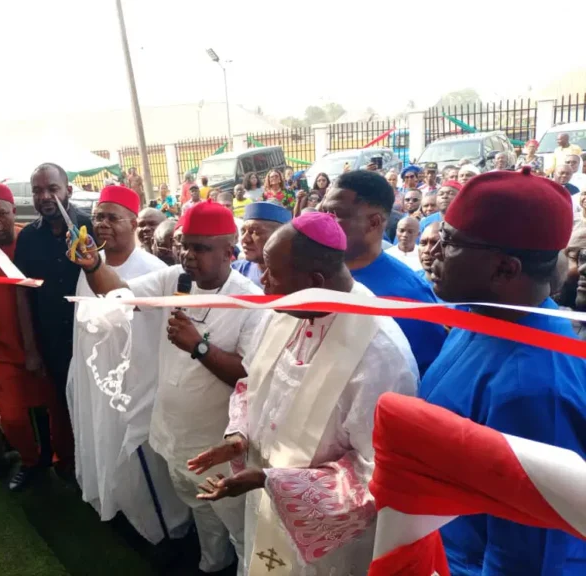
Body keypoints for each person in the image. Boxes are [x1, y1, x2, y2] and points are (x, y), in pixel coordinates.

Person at [188, 211, 418, 575]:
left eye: (272, 273)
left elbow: (377, 473)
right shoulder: (285, 311)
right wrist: (238, 437)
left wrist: (271, 480)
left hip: (324, 538)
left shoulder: (381, 355)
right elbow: (253, 384)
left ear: (315, 281)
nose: (263, 282)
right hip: (264, 503)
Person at [76, 201, 266, 575]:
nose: (188, 256)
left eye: (201, 248)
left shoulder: (250, 300)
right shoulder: (174, 279)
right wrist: (94, 265)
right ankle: (212, 564)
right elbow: (119, 293)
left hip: (218, 445)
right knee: (200, 510)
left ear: (229, 251)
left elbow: (249, 377)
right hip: (173, 433)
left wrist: (200, 347)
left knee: (239, 527)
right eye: (185, 245)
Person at [419, 167, 586, 575]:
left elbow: (528, 557)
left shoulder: (533, 388)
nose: (433, 251)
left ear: (505, 270)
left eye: (449, 242)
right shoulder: (480, 316)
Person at [68, 185, 191, 544]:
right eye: (98, 217)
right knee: (104, 442)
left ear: (134, 223)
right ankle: (117, 505)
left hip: (139, 382)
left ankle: (165, 527)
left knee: (146, 460)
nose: (102, 224)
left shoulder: (153, 269)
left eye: (112, 217)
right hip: (97, 380)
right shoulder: (87, 266)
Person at [0, 181, 73, 490]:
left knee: (61, 414)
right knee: (10, 417)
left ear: (13, 211)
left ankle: (66, 463)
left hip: (48, 348)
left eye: (1, 213)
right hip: (6, 354)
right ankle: (32, 461)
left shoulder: (33, 240)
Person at [320, 170, 447, 374]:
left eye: (336, 214)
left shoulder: (409, 299)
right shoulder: (315, 275)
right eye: (324, 211)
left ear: (374, 222)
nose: (323, 221)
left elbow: (420, 378)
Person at [14, 163, 94, 467]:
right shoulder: (28, 238)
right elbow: (22, 293)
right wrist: (31, 349)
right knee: (64, 406)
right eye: (38, 191)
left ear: (68, 191)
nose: (45, 196)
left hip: (91, 339)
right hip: (53, 343)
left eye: (52, 189)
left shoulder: (90, 226)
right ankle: (77, 468)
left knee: (96, 407)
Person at [232, 202, 292, 288]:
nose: (245, 239)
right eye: (243, 231)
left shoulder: (298, 278)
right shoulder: (236, 271)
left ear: (280, 236)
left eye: (255, 232)